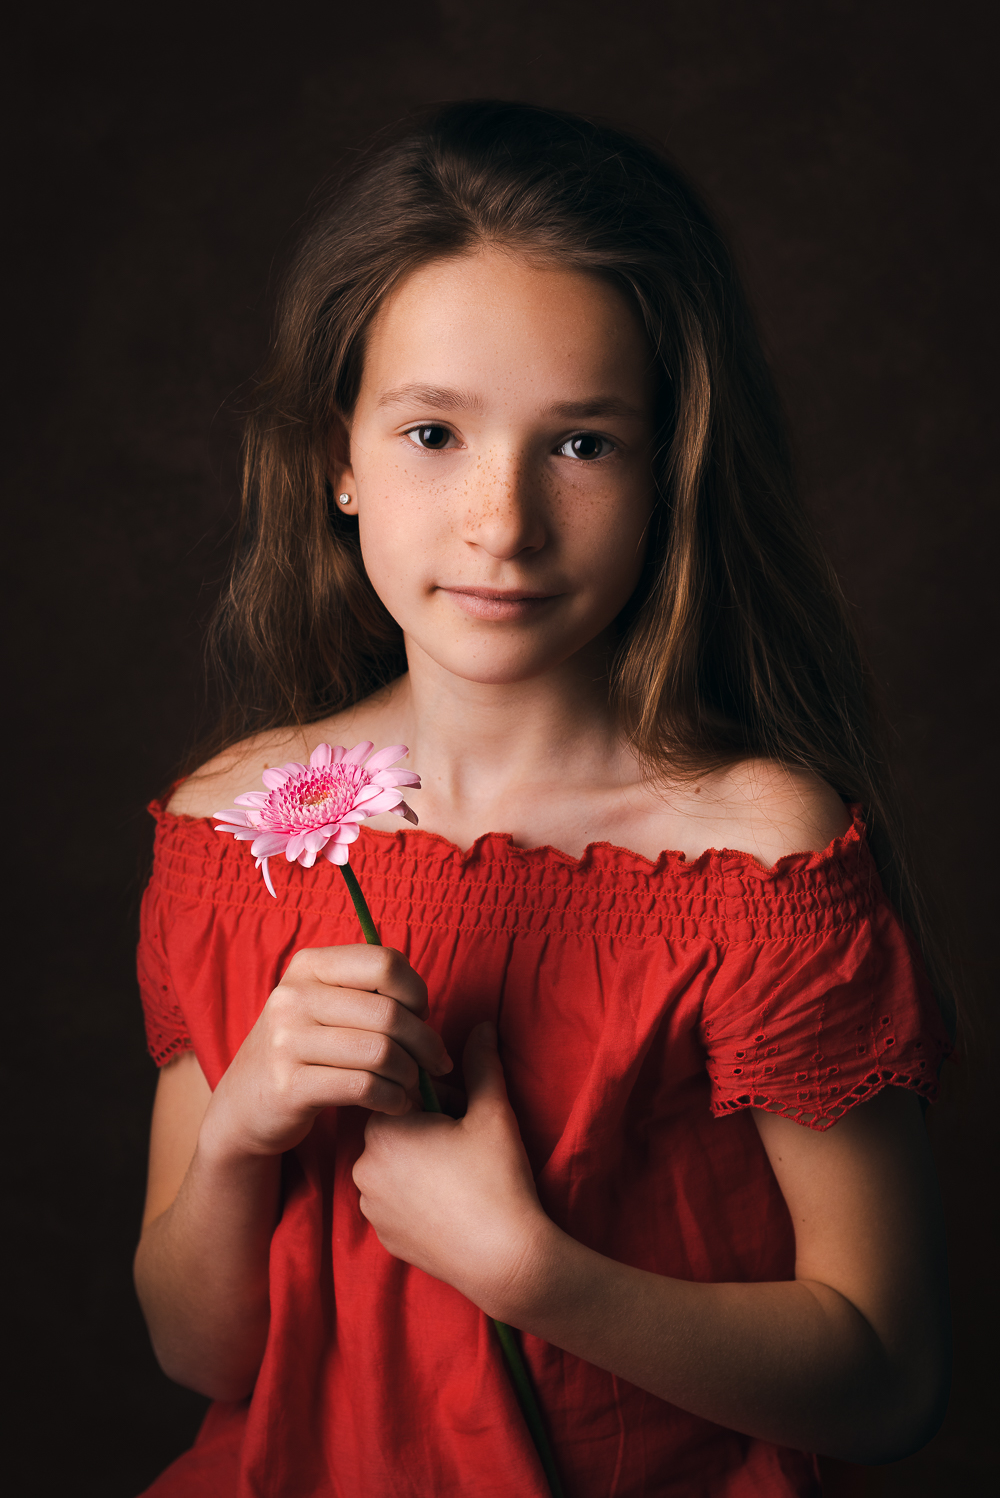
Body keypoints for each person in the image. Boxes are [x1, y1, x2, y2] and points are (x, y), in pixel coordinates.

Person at [133, 100, 953, 1498]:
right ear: (340, 455)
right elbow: (205, 1359)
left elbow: (886, 1382)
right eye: (433, 433)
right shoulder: (240, 834)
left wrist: (531, 1273)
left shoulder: (757, 863)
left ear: (667, 472)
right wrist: (242, 1133)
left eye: (581, 444)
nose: (501, 522)